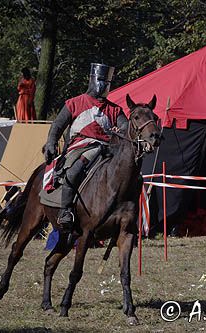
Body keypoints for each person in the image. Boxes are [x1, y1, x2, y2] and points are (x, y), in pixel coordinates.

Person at [42, 62, 127, 242]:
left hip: (107, 150)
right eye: (101, 81)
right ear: (93, 80)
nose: (104, 86)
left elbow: (125, 126)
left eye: (107, 82)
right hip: (80, 146)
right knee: (73, 172)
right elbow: (58, 125)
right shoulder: (75, 103)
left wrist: (123, 130)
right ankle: (65, 212)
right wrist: (51, 142)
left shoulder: (114, 109)